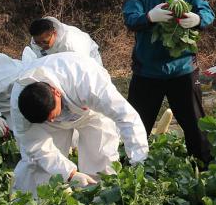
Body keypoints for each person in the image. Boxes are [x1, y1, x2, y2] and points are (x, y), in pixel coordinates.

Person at [122, 0, 215, 165]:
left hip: (182, 70)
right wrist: (149, 17)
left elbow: (208, 13)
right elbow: (130, 19)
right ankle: (129, 172)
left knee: (195, 126)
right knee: (136, 125)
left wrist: (198, 19)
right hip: (147, 72)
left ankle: (204, 169)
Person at [9, 52, 148, 195]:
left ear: (56, 92)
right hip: (51, 123)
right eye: (47, 119)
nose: (51, 120)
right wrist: (70, 174)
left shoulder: (87, 81)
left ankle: (101, 198)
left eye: (52, 115)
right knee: (39, 167)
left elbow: (125, 116)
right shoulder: (19, 106)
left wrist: (138, 161)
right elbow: (35, 146)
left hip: (90, 112)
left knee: (101, 155)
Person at [22, 17, 100, 63]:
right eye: (38, 42)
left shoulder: (72, 43)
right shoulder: (36, 42)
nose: (41, 45)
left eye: (45, 42)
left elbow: (83, 67)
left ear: (54, 33)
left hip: (88, 58)